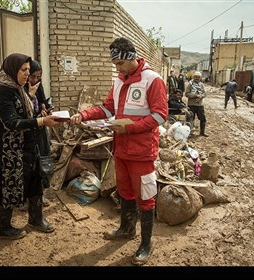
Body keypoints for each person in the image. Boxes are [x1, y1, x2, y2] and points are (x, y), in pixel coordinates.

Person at [70, 37, 168, 265]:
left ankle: (146, 243)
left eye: (119, 64)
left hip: (142, 152)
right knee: (125, 191)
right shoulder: (118, 81)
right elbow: (107, 108)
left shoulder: (152, 80)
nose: (117, 69)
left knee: (145, 196)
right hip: (122, 149)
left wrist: (132, 127)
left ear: (131, 58)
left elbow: (161, 115)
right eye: (115, 65)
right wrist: (83, 115)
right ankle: (126, 228)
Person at [0, 53, 60, 240]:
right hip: (11, 150)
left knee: (34, 179)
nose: (26, 74)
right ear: (13, 69)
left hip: (29, 144)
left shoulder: (20, 89)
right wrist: (41, 121)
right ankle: (2, 227)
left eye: (28, 70)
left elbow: (31, 111)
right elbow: (11, 123)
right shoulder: (3, 91)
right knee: (9, 185)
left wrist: (42, 113)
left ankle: (36, 219)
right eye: (23, 70)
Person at [24, 60, 53, 208]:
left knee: (41, 162)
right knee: (29, 166)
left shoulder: (38, 86)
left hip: (40, 132)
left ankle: (38, 195)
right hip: (27, 134)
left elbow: (43, 103)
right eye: (32, 76)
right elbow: (21, 114)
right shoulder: (19, 90)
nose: (35, 80)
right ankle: (25, 198)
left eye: (37, 77)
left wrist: (45, 109)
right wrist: (29, 95)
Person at [185, 71, 208, 136]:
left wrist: (201, 96)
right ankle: (190, 132)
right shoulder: (190, 84)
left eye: (198, 77)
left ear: (200, 78)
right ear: (194, 77)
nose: (197, 78)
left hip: (199, 104)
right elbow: (186, 94)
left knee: (203, 118)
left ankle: (202, 132)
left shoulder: (201, 85)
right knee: (191, 118)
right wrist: (195, 95)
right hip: (191, 104)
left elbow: (204, 93)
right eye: (196, 77)